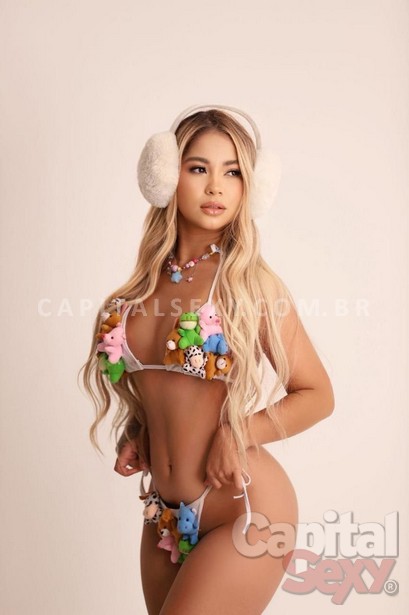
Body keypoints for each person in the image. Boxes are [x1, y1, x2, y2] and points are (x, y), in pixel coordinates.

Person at [80, 104, 334, 614]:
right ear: (165, 176)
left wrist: (237, 434)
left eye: (232, 172)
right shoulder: (137, 292)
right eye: (199, 168)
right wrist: (139, 431)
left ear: (249, 188)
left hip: (244, 505)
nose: (216, 186)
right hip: (164, 514)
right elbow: (168, 392)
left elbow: (317, 396)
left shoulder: (249, 284)